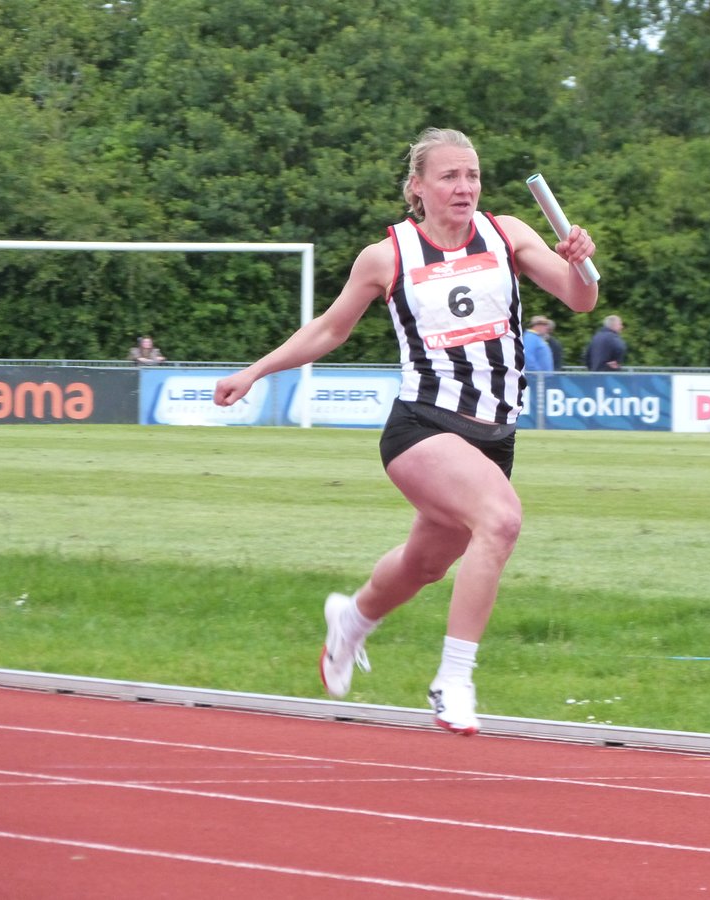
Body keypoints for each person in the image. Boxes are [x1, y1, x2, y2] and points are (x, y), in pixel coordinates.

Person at [213, 128, 597, 735]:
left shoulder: (509, 234)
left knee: (425, 565)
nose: (464, 187)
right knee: (500, 520)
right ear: (417, 187)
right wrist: (256, 371)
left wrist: (581, 265)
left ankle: (354, 617)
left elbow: (579, 301)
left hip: (494, 437)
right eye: (449, 176)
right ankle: (454, 678)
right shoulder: (388, 255)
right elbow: (329, 329)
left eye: (471, 175)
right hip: (421, 425)